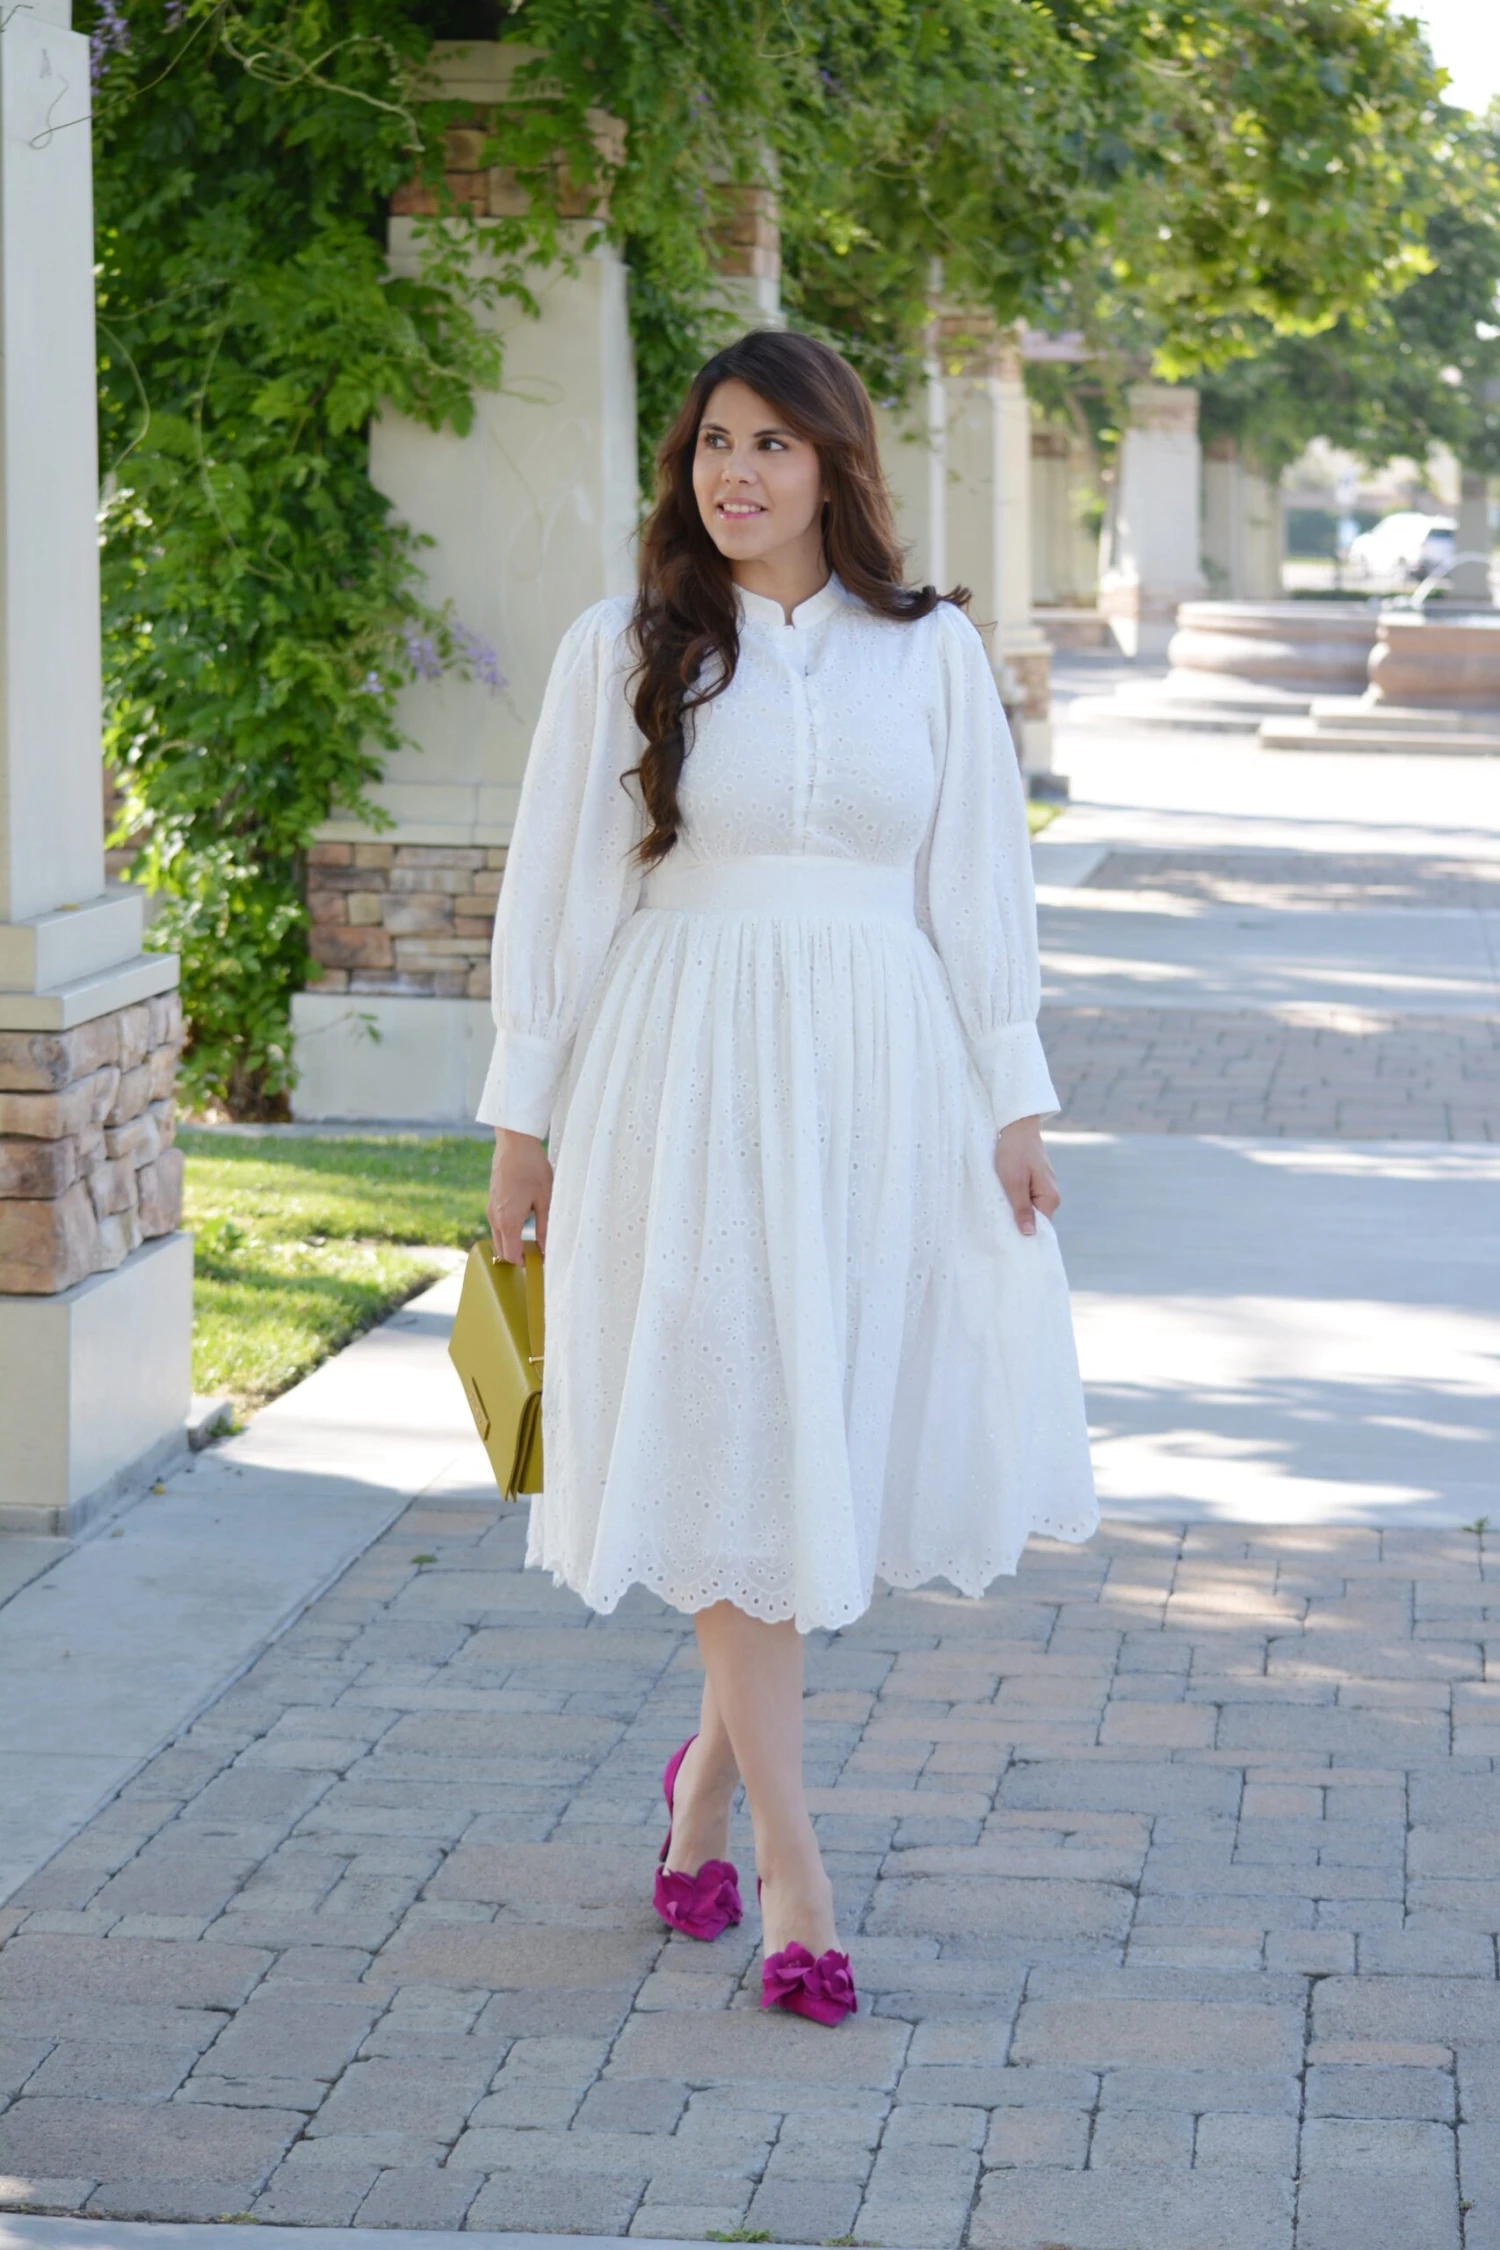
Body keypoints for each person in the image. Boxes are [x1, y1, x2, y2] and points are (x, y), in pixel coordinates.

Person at [479, 329, 1097, 2028]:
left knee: (810, 1438)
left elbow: (980, 895)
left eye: (769, 444)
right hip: (679, 1086)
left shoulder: (934, 654)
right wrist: (523, 1127)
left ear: (836, 463)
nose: (732, 473)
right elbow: (561, 898)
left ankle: (699, 1790)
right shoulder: (626, 647)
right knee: (738, 1426)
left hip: (881, 1083)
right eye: (709, 445)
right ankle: (797, 1877)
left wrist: (1015, 1099)